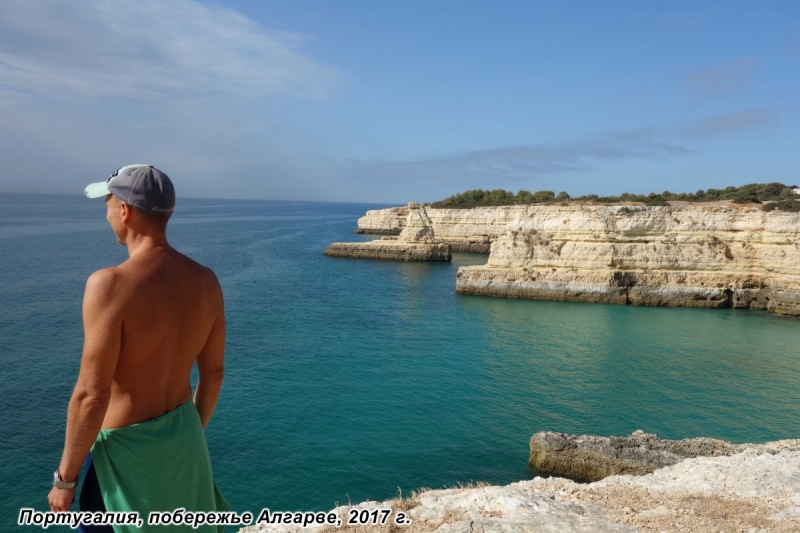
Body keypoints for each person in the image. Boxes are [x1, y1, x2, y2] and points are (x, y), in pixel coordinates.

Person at [47, 165, 229, 532]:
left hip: (124, 457)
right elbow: (213, 374)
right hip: (184, 443)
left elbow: (91, 396)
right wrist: (189, 436)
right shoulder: (206, 281)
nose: (107, 213)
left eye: (108, 203)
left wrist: (64, 481)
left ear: (125, 211)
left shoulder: (110, 285)